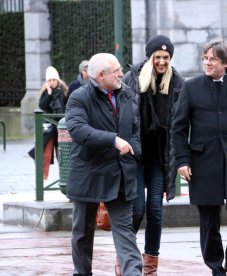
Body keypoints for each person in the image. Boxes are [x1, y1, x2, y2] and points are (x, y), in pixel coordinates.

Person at [172, 38, 227, 276]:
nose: (207, 62)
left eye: (213, 59)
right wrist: (182, 160)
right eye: (205, 58)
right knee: (209, 221)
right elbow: (178, 128)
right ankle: (215, 267)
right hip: (203, 163)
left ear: (226, 63)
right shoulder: (191, 88)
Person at [65, 53, 143, 276]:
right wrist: (113, 140)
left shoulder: (127, 94)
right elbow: (78, 130)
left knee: (125, 232)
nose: (121, 73)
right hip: (88, 174)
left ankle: (133, 273)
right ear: (100, 75)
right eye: (116, 70)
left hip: (119, 174)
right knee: (82, 233)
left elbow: (135, 129)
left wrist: (135, 149)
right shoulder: (79, 97)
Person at [122, 34, 184, 276]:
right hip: (136, 155)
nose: (161, 61)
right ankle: (127, 256)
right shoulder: (133, 77)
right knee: (136, 210)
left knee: (155, 211)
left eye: (166, 57)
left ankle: (150, 265)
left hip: (159, 158)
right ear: (150, 57)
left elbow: (180, 124)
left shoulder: (177, 82)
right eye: (157, 57)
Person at [28, 66, 69, 180]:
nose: (52, 82)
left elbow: (68, 107)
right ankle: (43, 178)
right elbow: (42, 106)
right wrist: (49, 93)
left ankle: (65, 178)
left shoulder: (64, 92)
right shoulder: (45, 93)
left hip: (62, 127)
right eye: (49, 80)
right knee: (45, 152)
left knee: (62, 154)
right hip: (50, 127)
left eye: (54, 80)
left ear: (58, 80)